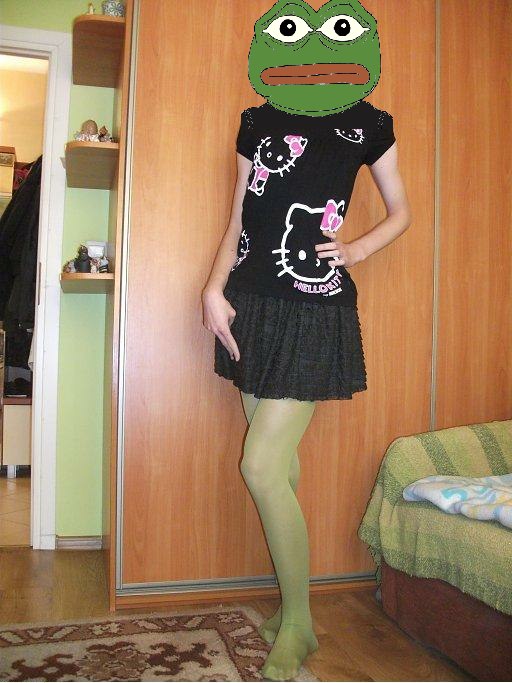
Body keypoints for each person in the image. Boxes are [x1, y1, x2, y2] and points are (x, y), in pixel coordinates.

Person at [202, 1, 411, 679]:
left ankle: (300, 622)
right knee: (279, 464)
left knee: (261, 466)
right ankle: (290, 610)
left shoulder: (369, 122)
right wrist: (212, 289)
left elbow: (402, 211)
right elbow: (238, 216)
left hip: (316, 308)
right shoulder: (257, 120)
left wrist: (358, 248)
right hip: (251, 304)